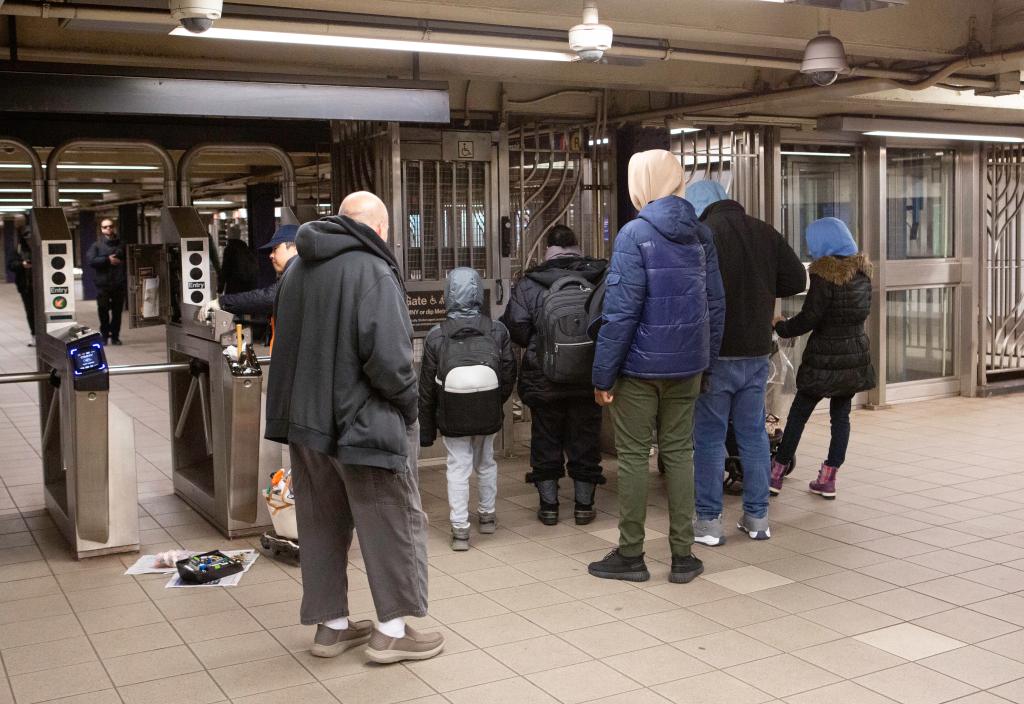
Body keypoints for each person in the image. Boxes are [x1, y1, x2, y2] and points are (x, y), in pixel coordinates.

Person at [264, 191, 443, 664]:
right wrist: (409, 405)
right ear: (380, 229)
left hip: (306, 425)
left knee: (320, 525)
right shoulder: (373, 271)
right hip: (363, 424)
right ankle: (391, 631)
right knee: (389, 521)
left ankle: (332, 628)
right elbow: (388, 359)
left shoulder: (296, 271)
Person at [588, 150, 725, 585]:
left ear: (641, 182)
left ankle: (631, 555)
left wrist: (602, 375)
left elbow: (621, 311)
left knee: (632, 457)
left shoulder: (634, 234)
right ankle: (683, 557)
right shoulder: (702, 233)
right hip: (688, 366)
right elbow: (716, 305)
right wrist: (707, 363)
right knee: (679, 454)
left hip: (639, 370)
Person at [687, 180, 807, 545]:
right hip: (756, 352)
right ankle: (757, 520)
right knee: (753, 434)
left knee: (708, 438)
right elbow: (796, 278)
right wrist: (762, 287)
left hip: (716, 352)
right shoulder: (765, 231)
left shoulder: (703, 235)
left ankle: (708, 524)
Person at [500, 225, 608, 526]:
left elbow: (517, 329)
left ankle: (549, 506)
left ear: (548, 249)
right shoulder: (597, 276)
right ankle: (584, 506)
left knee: (545, 438)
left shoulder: (530, 282)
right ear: (577, 246)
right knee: (586, 438)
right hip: (588, 375)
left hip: (544, 375)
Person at [771, 217, 875, 500]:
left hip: (824, 357)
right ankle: (828, 478)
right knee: (841, 418)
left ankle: (776, 472)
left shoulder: (824, 275)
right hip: (855, 355)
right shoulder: (864, 274)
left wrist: (782, 326)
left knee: (799, 414)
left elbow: (810, 318)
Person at [419, 267, 516, 551]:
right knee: (486, 461)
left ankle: (460, 529)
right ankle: (487, 516)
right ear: (478, 293)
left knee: (457, 466)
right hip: (487, 408)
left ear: (448, 294)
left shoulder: (437, 335)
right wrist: (494, 401)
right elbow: (509, 374)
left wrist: (427, 427)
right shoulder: (497, 330)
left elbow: (426, 386)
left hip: (452, 411)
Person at [201, 224, 298, 349]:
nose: (271, 255)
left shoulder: (300, 275)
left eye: (275, 248)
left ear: (295, 248)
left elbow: (269, 297)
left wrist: (222, 301)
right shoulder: (244, 248)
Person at [86, 218, 127, 345]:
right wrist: (107, 260)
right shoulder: (96, 245)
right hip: (103, 285)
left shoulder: (122, 244)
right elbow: (91, 261)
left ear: (114, 227)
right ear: (101, 229)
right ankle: (104, 335)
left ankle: (115, 336)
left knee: (117, 312)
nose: (108, 228)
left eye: (110, 226)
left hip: (118, 283)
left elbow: (128, 258)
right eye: (105, 227)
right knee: (103, 310)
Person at [8, 227, 35, 345]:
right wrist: (22, 264)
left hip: (41, 286)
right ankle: (34, 334)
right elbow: (11, 264)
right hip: (26, 286)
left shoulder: (39, 248)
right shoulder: (18, 250)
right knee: (30, 311)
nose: (29, 240)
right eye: (26, 237)